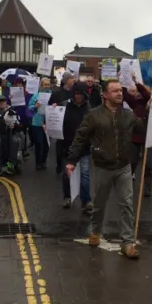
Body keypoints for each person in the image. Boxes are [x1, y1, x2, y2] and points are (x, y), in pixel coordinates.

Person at [66, 80, 147, 260]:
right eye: (115, 91)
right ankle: (95, 230)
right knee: (99, 204)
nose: (119, 94)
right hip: (103, 166)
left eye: (120, 91)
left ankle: (128, 242)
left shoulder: (128, 115)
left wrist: (151, 112)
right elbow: (80, 137)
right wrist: (72, 159)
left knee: (126, 204)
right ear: (105, 95)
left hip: (124, 166)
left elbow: (144, 128)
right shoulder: (94, 115)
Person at [60, 82, 93, 211]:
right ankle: (67, 197)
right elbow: (55, 119)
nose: (78, 96)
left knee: (84, 174)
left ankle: (86, 200)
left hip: (83, 146)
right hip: (66, 144)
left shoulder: (89, 108)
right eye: (76, 93)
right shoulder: (64, 105)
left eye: (80, 94)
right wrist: (53, 111)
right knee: (66, 173)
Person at [122, 75, 152, 196]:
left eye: (139, 91)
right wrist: (123, 82)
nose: (138, 94)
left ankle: (147, 188)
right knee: (132, 162)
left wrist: (137, 83)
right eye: (137, 92)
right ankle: (127, 184)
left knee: (148, 165)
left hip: (148, 137)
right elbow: (126, 95)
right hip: (135, 137)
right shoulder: (136, 104)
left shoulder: (148, 102)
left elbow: (146, 94)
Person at [49, 72, 75, 174]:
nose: (73, 80)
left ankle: (69, 163)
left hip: (71, 122)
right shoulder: (57, 93)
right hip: (60, 122)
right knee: (60, 144)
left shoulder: (74, 92)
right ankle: (59, 163)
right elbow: (50, 106)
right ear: (67, 80)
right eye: (71, 79)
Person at [28, 77, 52, 170]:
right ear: (41, 85)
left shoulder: (52, 95)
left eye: (48, 84)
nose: (46, 86)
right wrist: (35, 106)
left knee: (46, 144)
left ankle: (43, 161)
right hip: (37, 122)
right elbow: (29, 107)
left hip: (49, 122)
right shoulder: (36, 95)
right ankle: (38, 162)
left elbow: (57, 105)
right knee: (39, 143)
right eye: (45, 84)